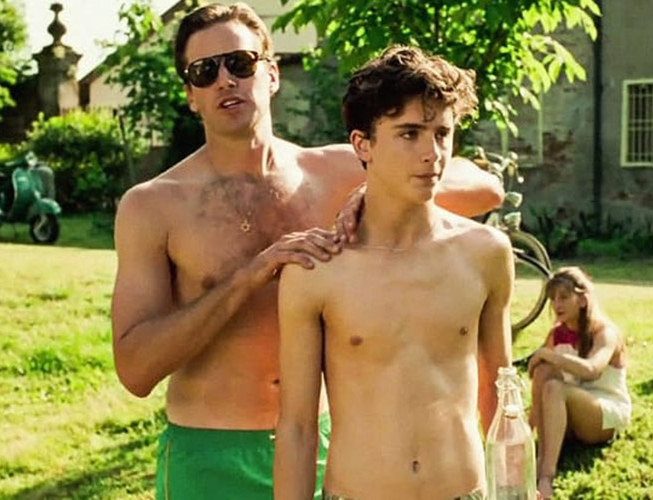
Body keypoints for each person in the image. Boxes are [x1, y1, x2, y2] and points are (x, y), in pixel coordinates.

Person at [110, 3, 504, 500]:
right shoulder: (152, 206)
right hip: (211, 452)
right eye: (205, 72)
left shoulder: (332, 171)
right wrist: (252, 274)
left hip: (320, 445)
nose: (226, 80)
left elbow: (485, 187)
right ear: (190, 95)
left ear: (272, 74)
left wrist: (371, 189)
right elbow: (136, 370)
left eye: (241, 63)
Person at [274, 46, 513, 500]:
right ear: (362, 144)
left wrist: (519, 485)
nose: (432, 153)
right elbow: (298, 427)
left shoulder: (486, 254)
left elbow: (503, 400)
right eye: (409, 134)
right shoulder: (316, 272)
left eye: (442, 133)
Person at [527, 267, 631, 498]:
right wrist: (526, 429)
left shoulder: (605, 333)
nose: (557, 304)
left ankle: (546, 476)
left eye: (564, 297)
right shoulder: (557, 334)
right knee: (544, 372)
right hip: (570, 410)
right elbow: (539, 382)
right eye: (553, 298)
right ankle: (534, 452)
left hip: (605, 414)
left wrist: (548, 355)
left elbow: (592, 370)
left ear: (583, 300)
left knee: (554, 386)